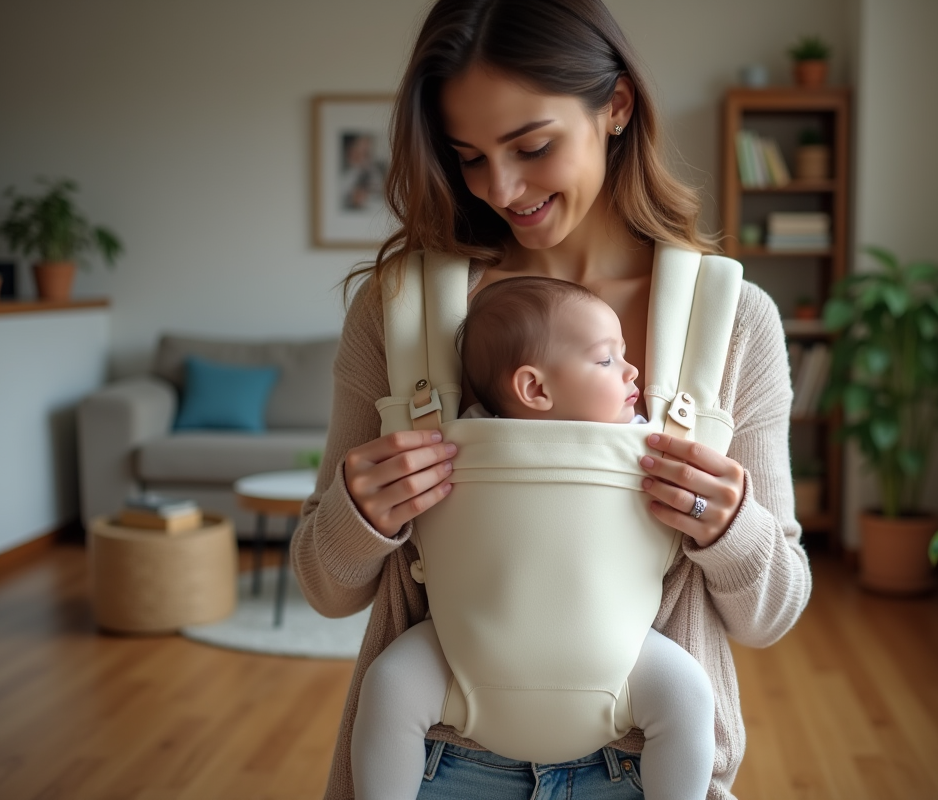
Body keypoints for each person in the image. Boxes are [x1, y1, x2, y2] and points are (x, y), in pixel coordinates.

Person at [290, 1, 812, 797]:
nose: (501, 187)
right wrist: (357, 516)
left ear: (616, 106)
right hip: (434, 761)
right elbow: (326, 589)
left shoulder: (733, 321)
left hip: (643, 767)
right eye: (467, 157)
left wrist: (732, 527)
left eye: (531, 146)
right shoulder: (400, 316)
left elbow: (772, 615)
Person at [350, 276, 716, 800]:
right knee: (389, 685)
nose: (633, 369)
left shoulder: (645, 435)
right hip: (461, 652)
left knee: (687, 693)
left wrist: (728, 523)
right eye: (607, 359)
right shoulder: (464, 433)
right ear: (535, 389)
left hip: (622, 659)